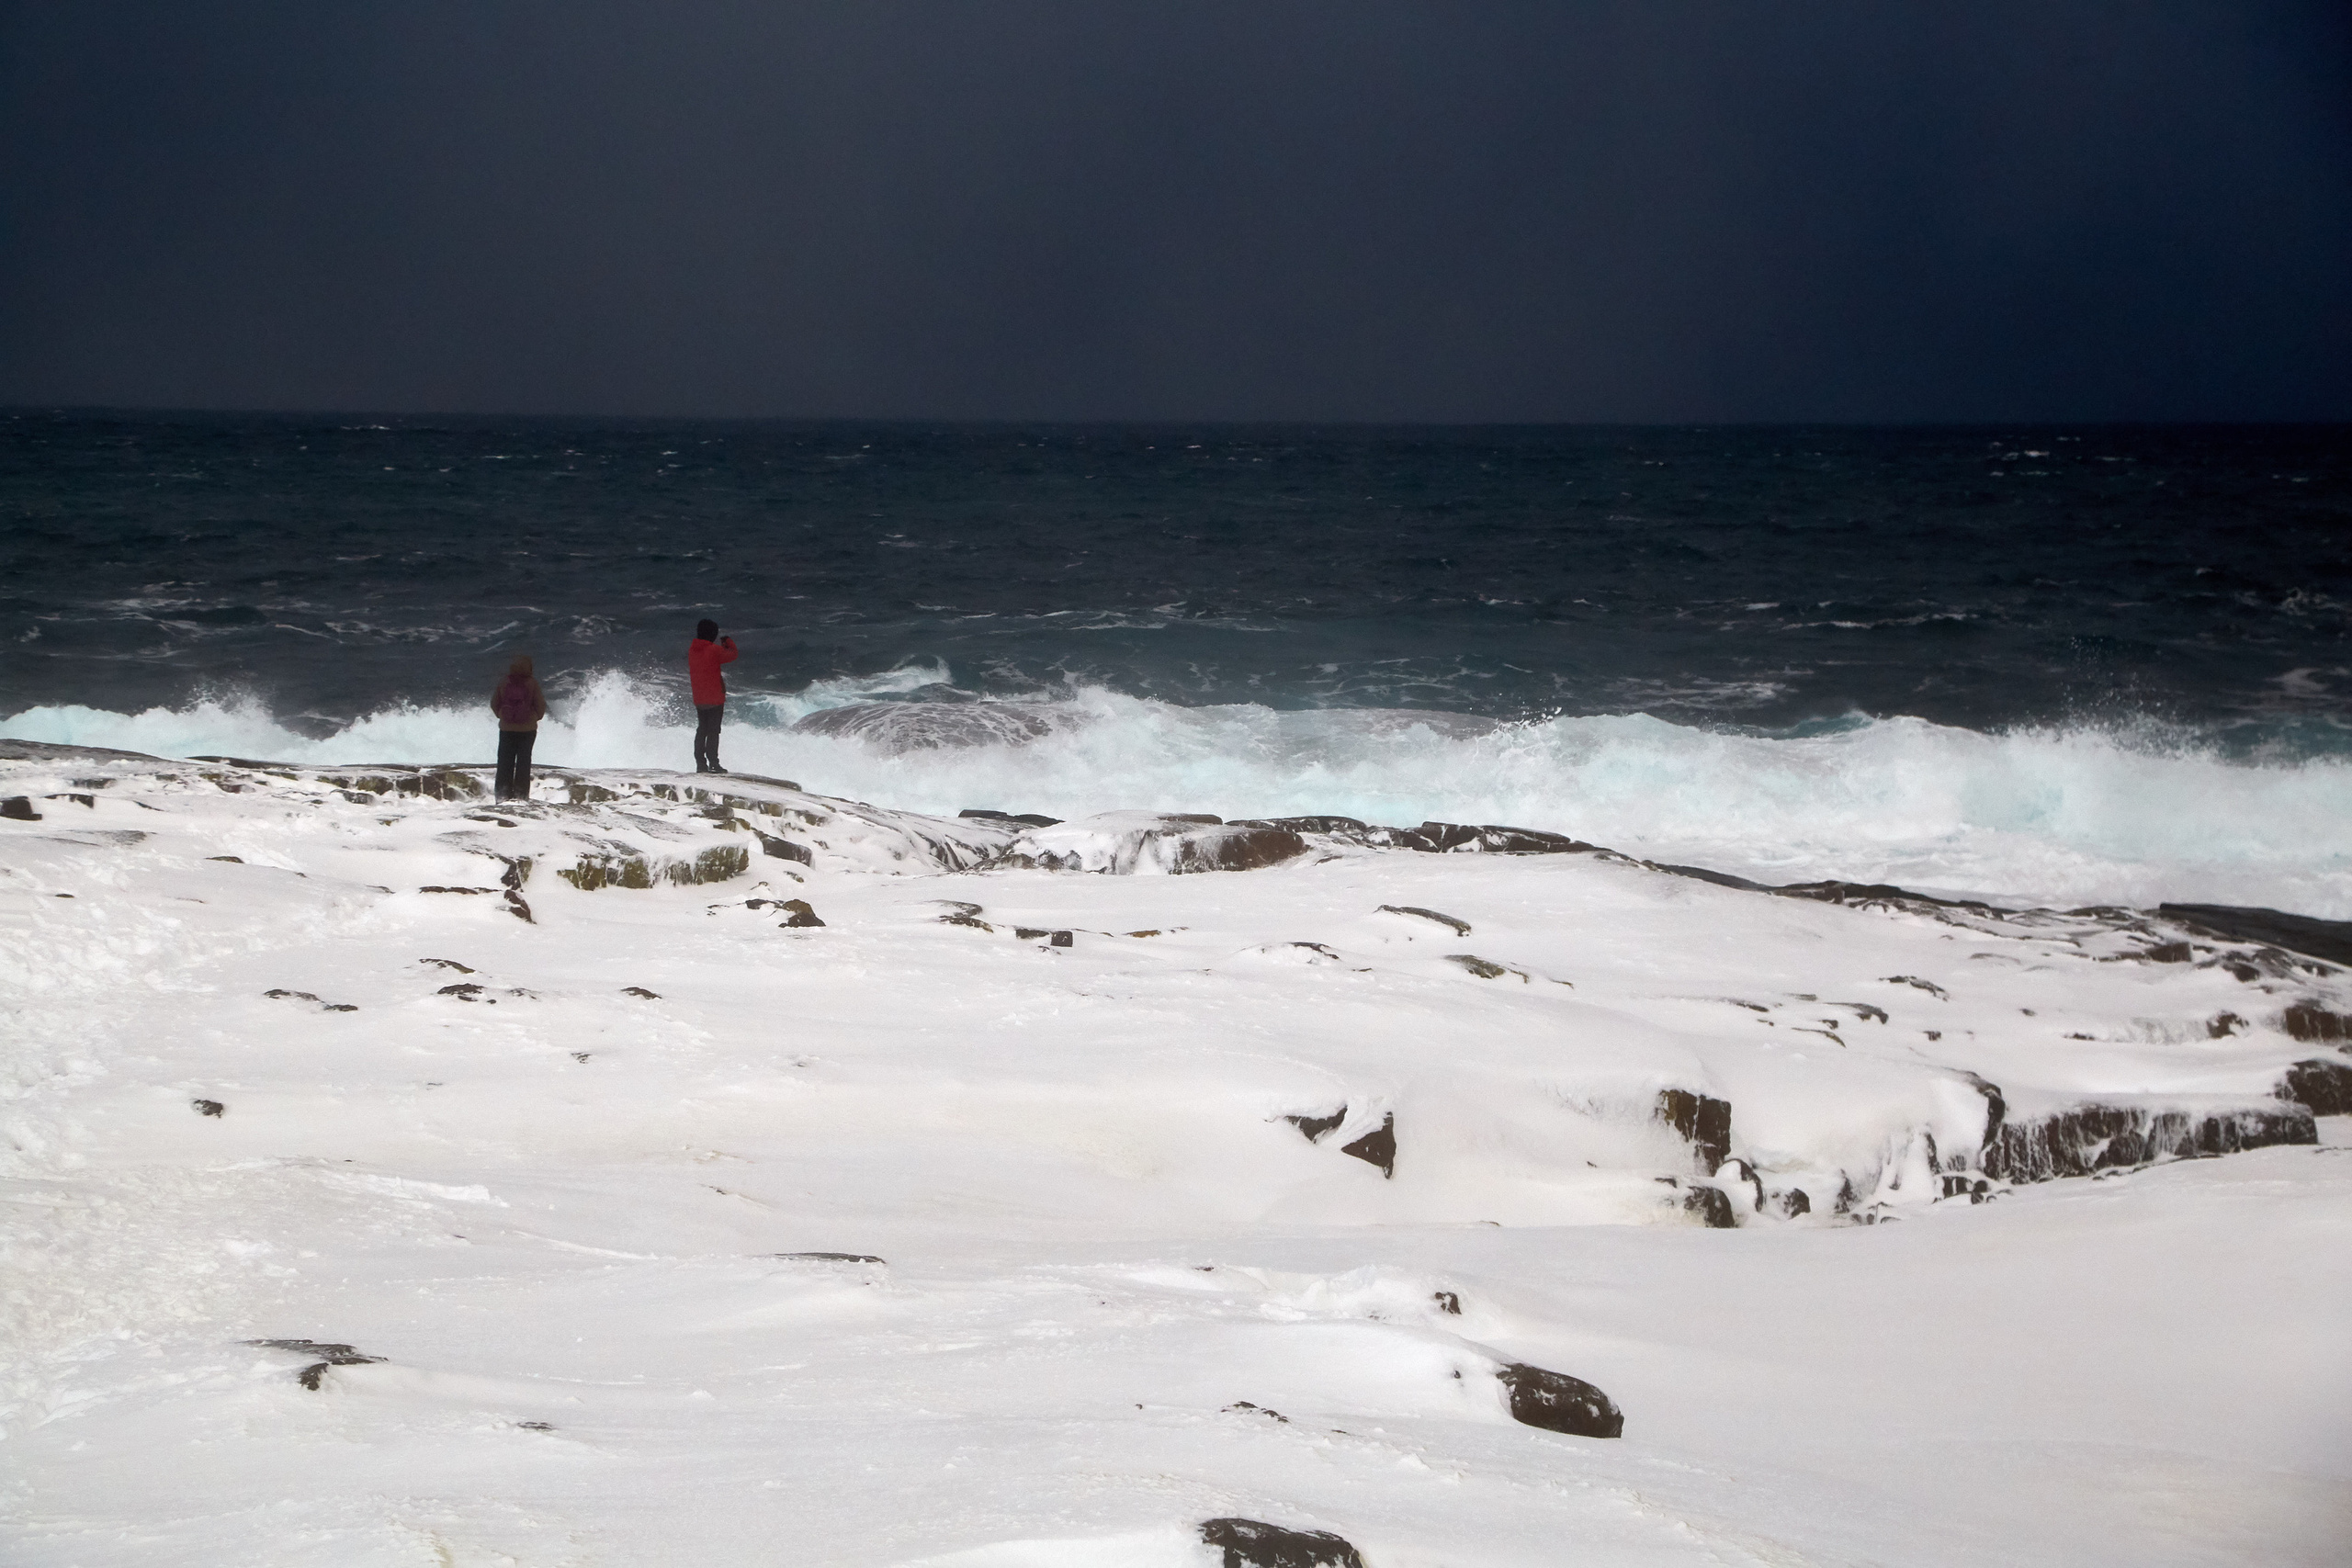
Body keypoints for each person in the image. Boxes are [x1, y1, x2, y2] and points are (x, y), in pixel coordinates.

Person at [490, 655, 548, 801]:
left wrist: (502, 716)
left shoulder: (504, 682)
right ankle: (521, 796)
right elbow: (540, 706)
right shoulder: (532, 683)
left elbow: (494, 703)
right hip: (527, 730)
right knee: (523, 762)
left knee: (504, 762)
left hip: (506, 729)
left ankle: (502, 795)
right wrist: (534, 718)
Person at [688, 618, 738, 773]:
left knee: (702, 729)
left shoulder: (692, 650)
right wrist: (727, 641)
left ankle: (700, 763)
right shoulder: (714, 650)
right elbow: (732, 655)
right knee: (713, 731)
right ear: (713, 635)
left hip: (699, 698)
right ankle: (714, 763)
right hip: (715, 698)